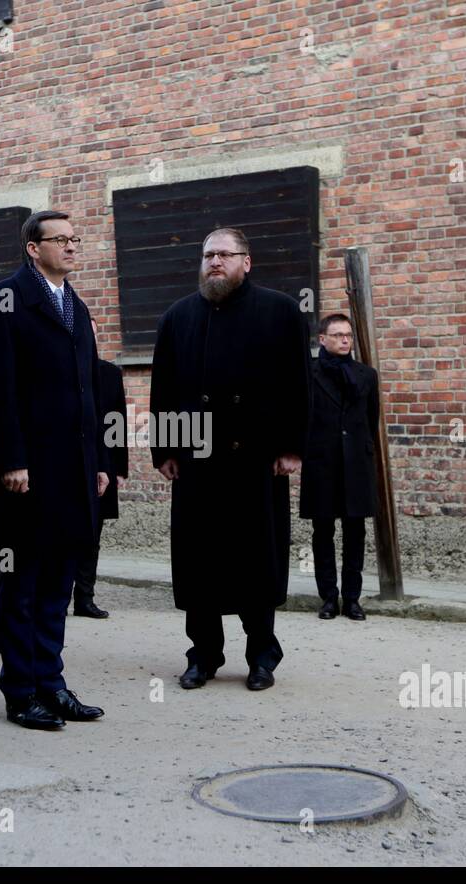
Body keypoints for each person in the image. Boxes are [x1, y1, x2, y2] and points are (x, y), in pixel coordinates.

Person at [150, 227, 311, 692]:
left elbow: (297, 385)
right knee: (200, 562)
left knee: (255, 561)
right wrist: (166, 449)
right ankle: (203, 654)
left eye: (224, 254)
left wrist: (292, 447)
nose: (214, 262)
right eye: (207, 255)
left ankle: (262, 655)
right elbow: (164, 388)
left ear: (247, 261)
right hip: (198, 461)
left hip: (255, 460)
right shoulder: (178, 316)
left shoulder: (280, 311)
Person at [0, 210, 109, 730]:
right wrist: (11, 458)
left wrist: (97, 461)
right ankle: (21, 691)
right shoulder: (5, 299)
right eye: (62, 240)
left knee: (59, 582)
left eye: (76, 239)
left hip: (73, 469)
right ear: (34, 248)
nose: (73, 247)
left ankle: (52, 684)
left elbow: (89, 391)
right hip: (29, 469)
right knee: (23, 581)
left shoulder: (74, 303)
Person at [300, 314, 380, 621]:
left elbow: (370, 421)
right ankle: (329, 598)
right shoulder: (310, 373)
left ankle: (353, 598)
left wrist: (363, 453)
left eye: (348, 335)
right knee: (322, 531)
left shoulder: (366, 375)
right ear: (323, 339)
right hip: (322, 463)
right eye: (337, 335)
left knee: (355, 531)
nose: (345, 340)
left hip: (356, 465)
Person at [73, 320, 128, 619]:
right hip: (70, 462)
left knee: (93, 534)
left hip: (102, 462)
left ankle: (85, 597)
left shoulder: (109, 373)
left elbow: (116, 422)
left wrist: (118, 468)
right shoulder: (64, 371)